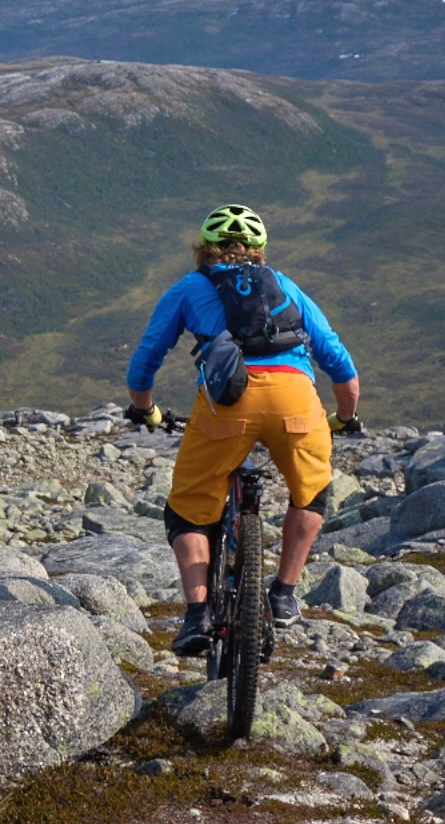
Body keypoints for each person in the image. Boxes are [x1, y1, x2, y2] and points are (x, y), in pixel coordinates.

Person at [124, 204, 360, 656]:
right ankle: (285, 593)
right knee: (310, 494)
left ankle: (196, 616)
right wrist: (345, 418)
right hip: (296, 401)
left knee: (190, 510)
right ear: (260, 251)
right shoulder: (285, 286)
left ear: (203, 249)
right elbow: (340, 364)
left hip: (228, 404)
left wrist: (146, 410)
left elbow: (145, 362)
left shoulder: (190, 287)